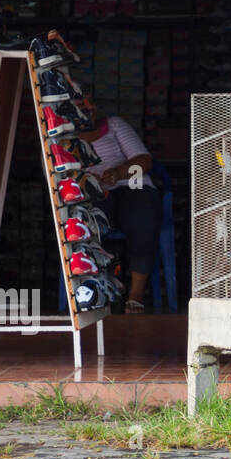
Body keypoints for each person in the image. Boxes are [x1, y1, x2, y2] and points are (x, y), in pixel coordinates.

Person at [75, 114, 163, 314]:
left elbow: (144, 161)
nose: (89, 108)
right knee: (87, 220)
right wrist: (86, 179)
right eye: (82, 105)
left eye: (91, 104)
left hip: (131, 182)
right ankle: (97, 285)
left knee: (142, 217)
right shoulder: (63, 137)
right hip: (95, 190)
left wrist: (119, 172)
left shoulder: (113, 125)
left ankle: (136, 294)